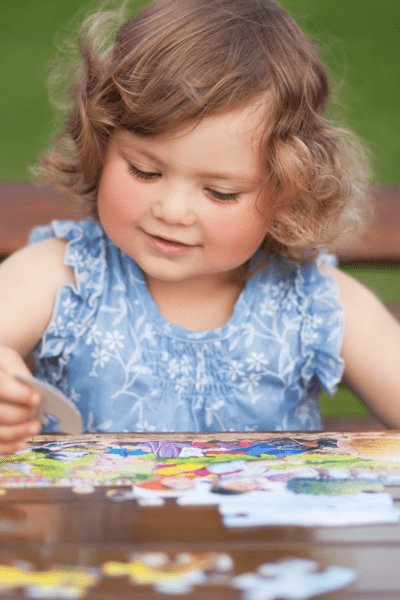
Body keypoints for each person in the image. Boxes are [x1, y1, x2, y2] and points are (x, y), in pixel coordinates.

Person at [0, 0, 399, 454]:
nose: (171, 210)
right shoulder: (65, 274)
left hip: (264, 528)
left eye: (220, 193)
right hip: (89, 527)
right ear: (103, 143)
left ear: (287, 193)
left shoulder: (312, 302)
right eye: (145, 172)